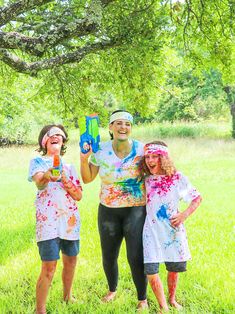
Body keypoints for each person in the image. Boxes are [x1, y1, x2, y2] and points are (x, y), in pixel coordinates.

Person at [80, 110, 148, 310]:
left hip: (135, 210)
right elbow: (87, 178)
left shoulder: (142, 150)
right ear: (110, 127)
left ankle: (142, 298)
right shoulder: (100, 150)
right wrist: (84, 159)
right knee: (109, 255)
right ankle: (112, 290)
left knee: (135, 256)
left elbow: (157, 171)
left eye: (127, 124)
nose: (123, 127)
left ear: (131, 128)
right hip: (108, 210)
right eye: (118, 123)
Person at [142, 140, 202, 313]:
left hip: (172, 231)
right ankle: (163, 306)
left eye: (155, 157)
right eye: (148, 156)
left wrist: (184, 215)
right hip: (151, 231)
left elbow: (197, 198)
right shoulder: (146, 180)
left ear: (164, 158)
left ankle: (172, 298)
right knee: (151, 269)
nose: (150, 160)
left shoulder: (177, 178)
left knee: (173, 268)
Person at [28, 125, 82, 314]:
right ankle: (40, 310)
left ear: (64, 141)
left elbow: (78, 196)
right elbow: (39, 183)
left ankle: (67, 296)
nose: (56, 136)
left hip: (69, 222)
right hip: (48, 224)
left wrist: (66, 180)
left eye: (60, 135)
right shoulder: (38, 162)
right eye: (51, 134)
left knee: (71, 261)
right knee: (49, 267)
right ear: (44, 141)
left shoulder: (70, 167)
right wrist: (48, 175)